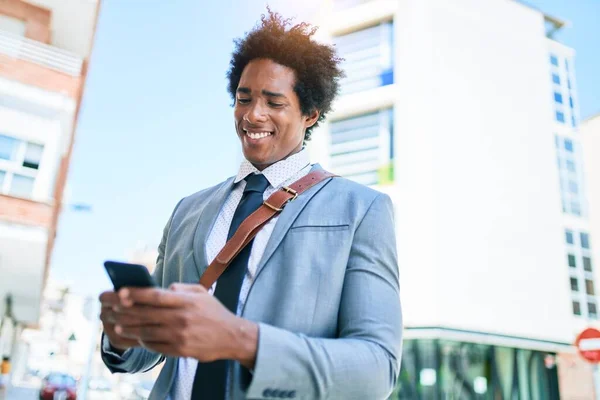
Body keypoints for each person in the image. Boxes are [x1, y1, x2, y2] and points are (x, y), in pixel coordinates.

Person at [99, 10, 402, 400]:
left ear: (310, 114)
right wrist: (122, 335)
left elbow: (376, 370)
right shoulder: (186, 211)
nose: (253, 114)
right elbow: (148, 352)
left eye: (274, 102)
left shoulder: (362, 210)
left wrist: (241, 341)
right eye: (244, 99)